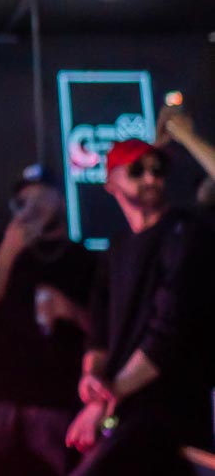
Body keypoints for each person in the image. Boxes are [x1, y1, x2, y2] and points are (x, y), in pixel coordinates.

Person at [66, 139, 215, 475]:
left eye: (157, 169)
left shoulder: (185, 233)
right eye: (137, 170)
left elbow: (169, 332)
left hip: (172, 406)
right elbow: (99, 332)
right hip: (126, 406)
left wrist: (106, 398)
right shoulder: (116, 248)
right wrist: (92, 378)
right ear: (111, 182)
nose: (150, 178)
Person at [0, 165, 96, 475]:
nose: (33, 209)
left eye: (42, 199)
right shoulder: (4, 251)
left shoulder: (83, 259)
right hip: (4, 402)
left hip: (54, 402)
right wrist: (9, 248)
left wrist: (68, 309)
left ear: (60, 201)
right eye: (24, 202)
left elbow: (104, 332)